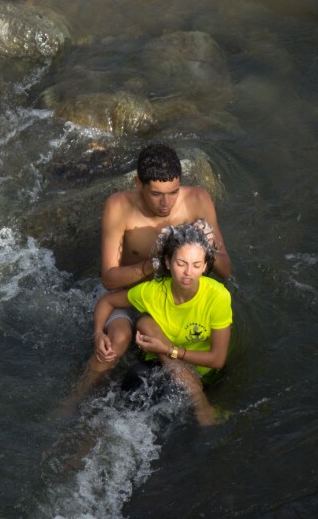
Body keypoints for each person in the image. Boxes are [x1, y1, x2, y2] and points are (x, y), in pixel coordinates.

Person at [82, 143, 232, 390]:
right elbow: (108, 280)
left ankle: (195, 396)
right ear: (138, 183)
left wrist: (211, 246)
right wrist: (155, 264)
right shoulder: (118, 206)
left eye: (173, 192)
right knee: (118, 340)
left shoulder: (198, 199)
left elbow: (226, 271)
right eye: (156, 194)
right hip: (129, 295)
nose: (166, 203)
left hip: (173, 298)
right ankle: (75, 399)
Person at [93, 222, 232, 425]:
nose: (188, 272)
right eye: (181, 263)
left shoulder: (218, 297)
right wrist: (98, 333)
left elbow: (217, 359)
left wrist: (169, 350)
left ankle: (197, 396)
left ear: (204, 266)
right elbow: (107, 301)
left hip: (203, 374)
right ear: (167, 262)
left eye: (196, 265)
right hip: (157, 366)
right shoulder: (154, 291)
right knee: (144, 324)